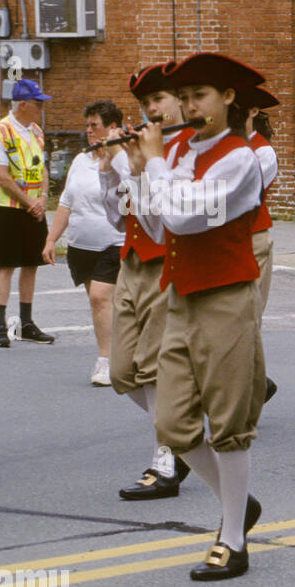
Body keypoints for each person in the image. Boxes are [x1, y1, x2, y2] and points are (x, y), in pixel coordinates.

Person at [102, 51, 268, 580]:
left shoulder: (239, 157)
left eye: (201, 96)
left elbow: (186, 217)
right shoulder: (174, 152)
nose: (191, 107)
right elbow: (155, 227)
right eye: (186, 97)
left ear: (227, 98)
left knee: (228, 423)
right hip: (180, 295)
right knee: (171, 423)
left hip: (225, 296)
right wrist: (135, 172)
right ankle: (238, 503)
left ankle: (233, 538)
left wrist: (152, 165)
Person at [105, 64, 195, 501]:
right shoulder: (141, 146)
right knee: (122, 372)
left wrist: (144, 167)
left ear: (179, 100)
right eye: (144, 103)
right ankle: (183, 425)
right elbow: (117, 216)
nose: (151, 109)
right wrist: (112, 169)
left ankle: (166, 459)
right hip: (132, 260)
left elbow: (170, 217)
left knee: (153, 367)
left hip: (166, 262)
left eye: (158, 99)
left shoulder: (191, 148)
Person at [42, 99, 126, 385]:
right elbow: (66, 202)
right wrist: (51, 238)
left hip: (113, 242)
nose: (88, 130)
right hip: (81, 246)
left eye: (94, 125)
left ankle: (106, 361)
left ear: (112, 127)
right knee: (101, 304)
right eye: (87, 125)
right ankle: (119, 353)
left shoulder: (123, 158)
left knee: (100, 298)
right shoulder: (80, 160)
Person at [0, 78, 55, 347]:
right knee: (6, 266)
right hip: (9, 208)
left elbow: (42, 168)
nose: (42, 108)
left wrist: (43, 198)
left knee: (31, 264)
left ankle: (26, 323)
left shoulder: (36, 131)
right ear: (23, 104)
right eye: (38, 104)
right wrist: (30, 202)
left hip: (33, 208)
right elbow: (1, 175)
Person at [239, 85, 280, 403]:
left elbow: (239, 196)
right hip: (220, 241)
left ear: (253, 112)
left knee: (246, 317)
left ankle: (249, 388)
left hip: (252, 238)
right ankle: (254, 382)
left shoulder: (263, 153)